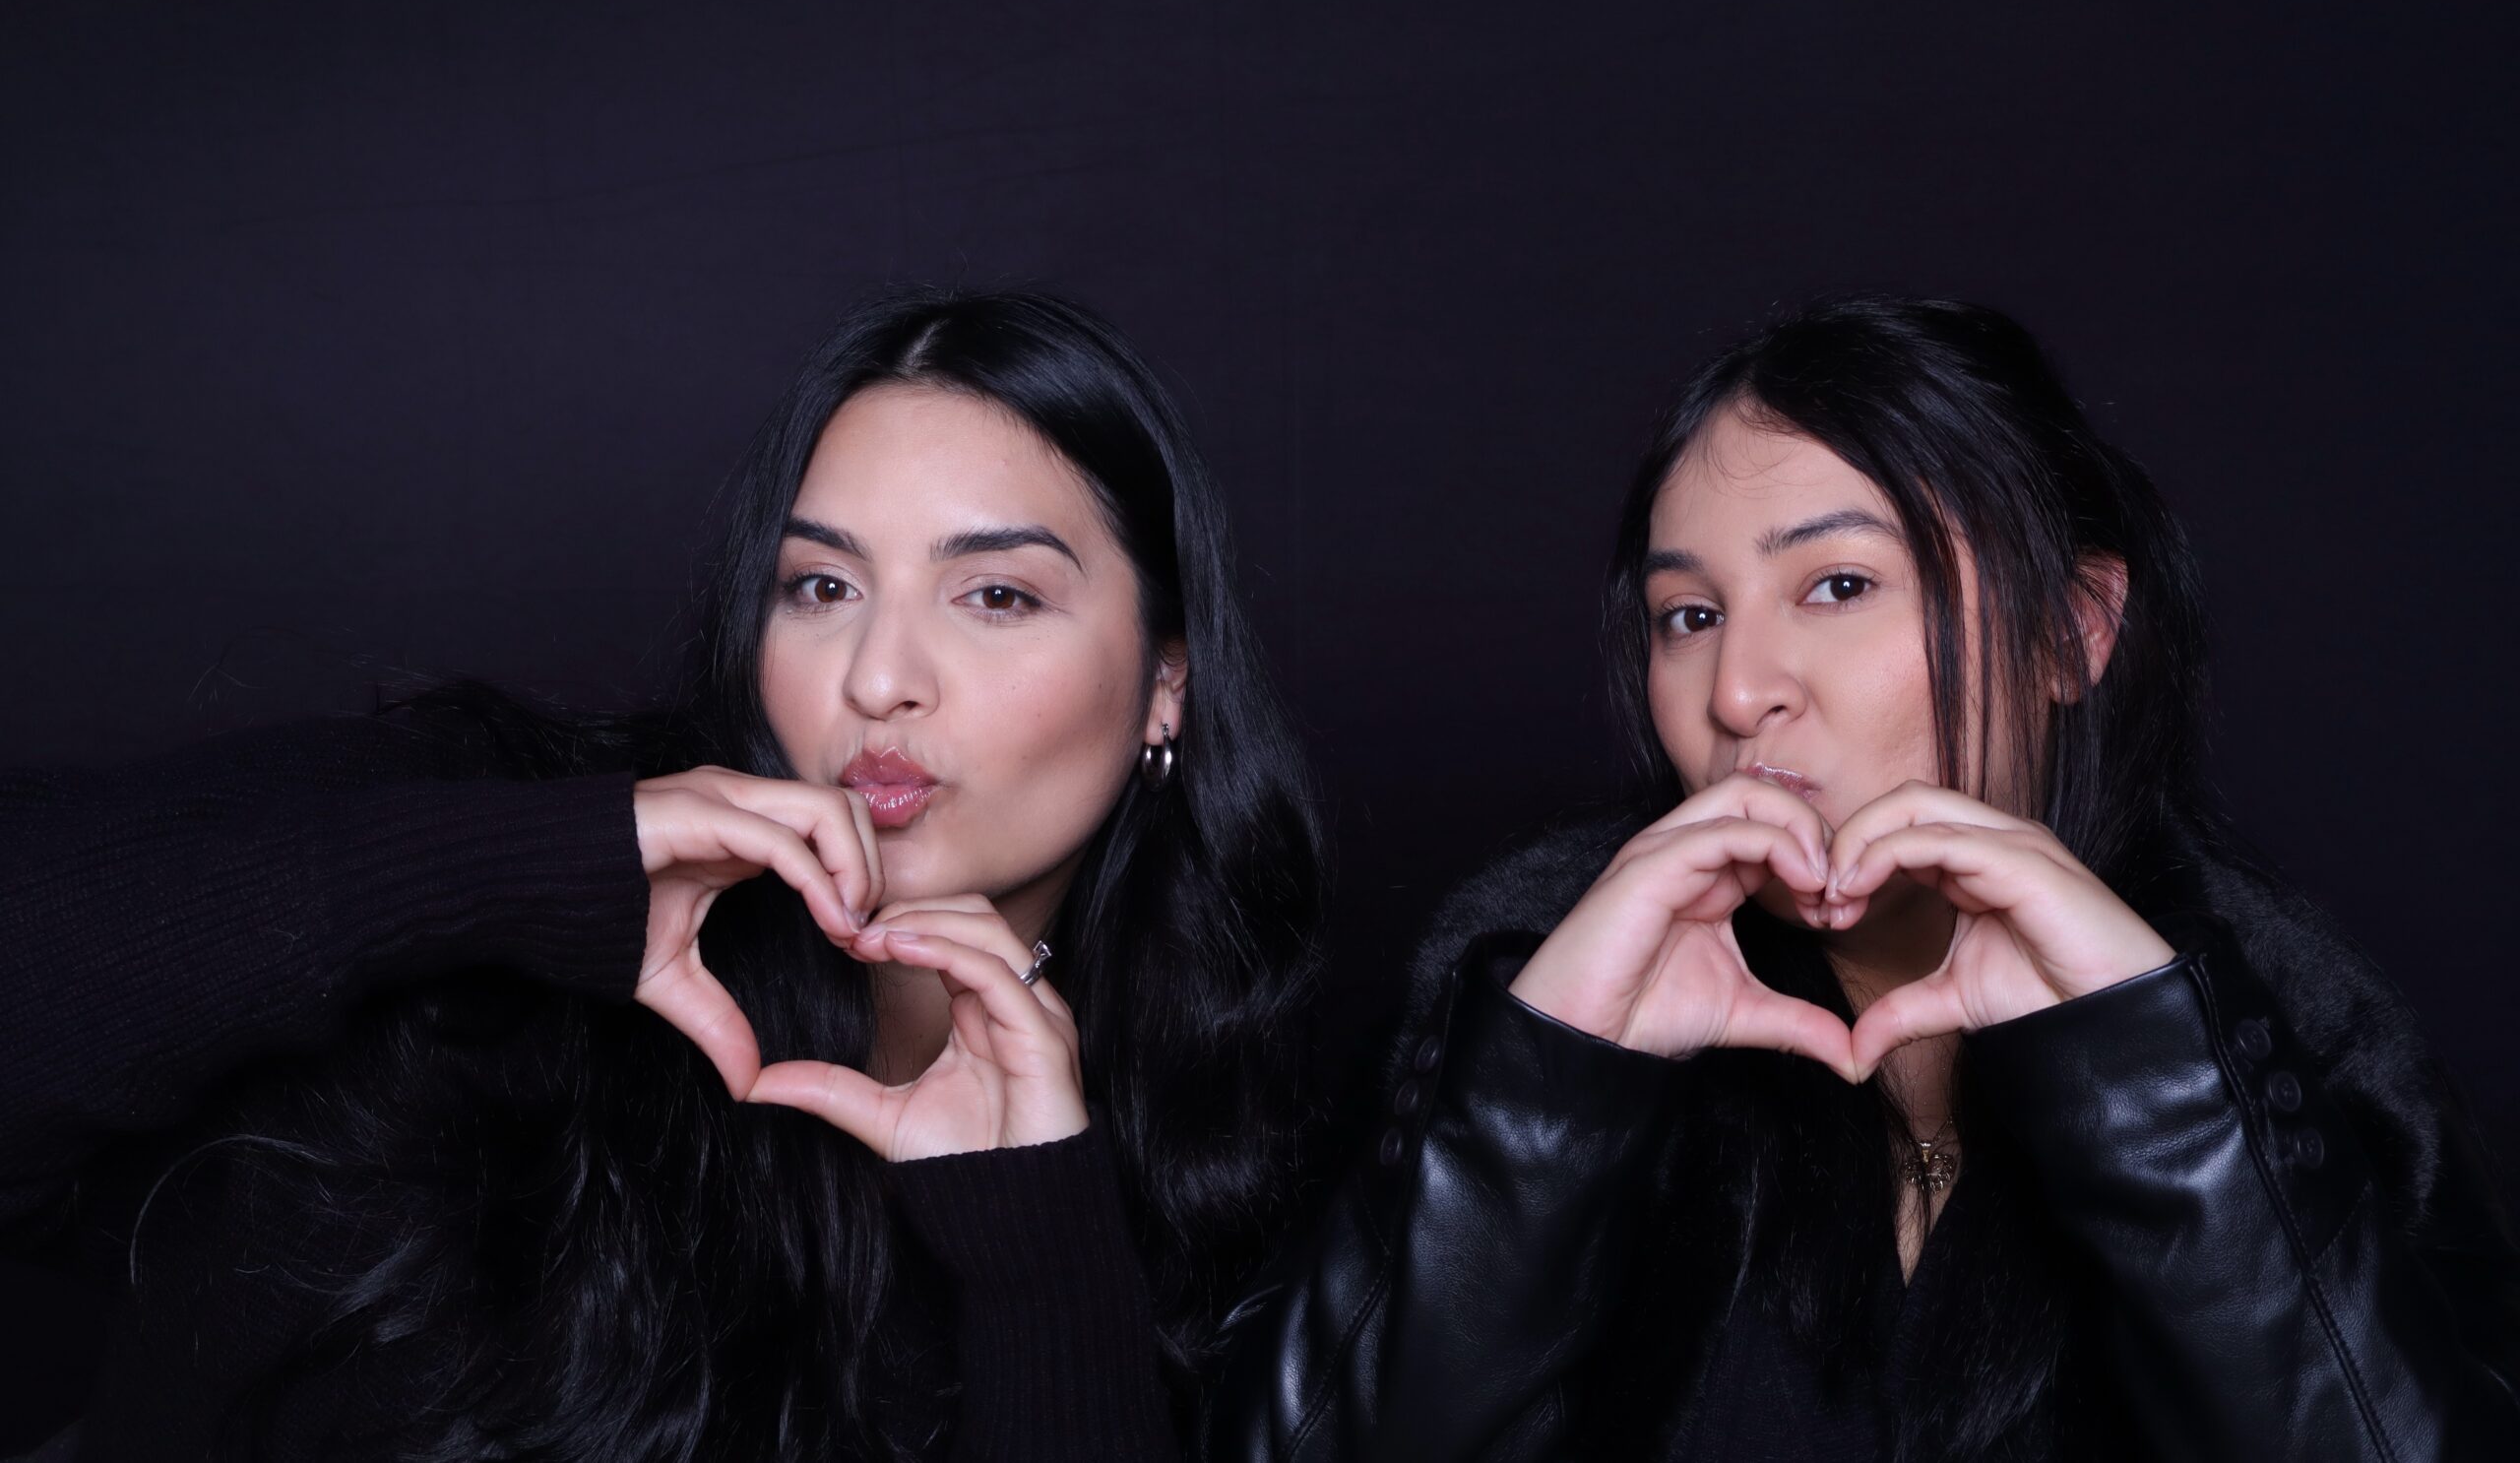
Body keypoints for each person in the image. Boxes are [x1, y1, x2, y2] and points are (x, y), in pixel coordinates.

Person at [0, 291, 1327, 1461]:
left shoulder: (1206, 1138)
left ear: (1167, 682)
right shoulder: (507, 820)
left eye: (995, 597)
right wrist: (525, 874)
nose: (877, 678)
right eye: (817, 587)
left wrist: (1035, 1240)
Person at [1206, 296, 2520, 1460]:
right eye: (1691, 615)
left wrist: (2154, 1074)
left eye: (1837, 585)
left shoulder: (2296, 1030)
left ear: (2071, 631)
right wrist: (1548, 1095)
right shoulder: (1526, 984)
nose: (1736, 691)